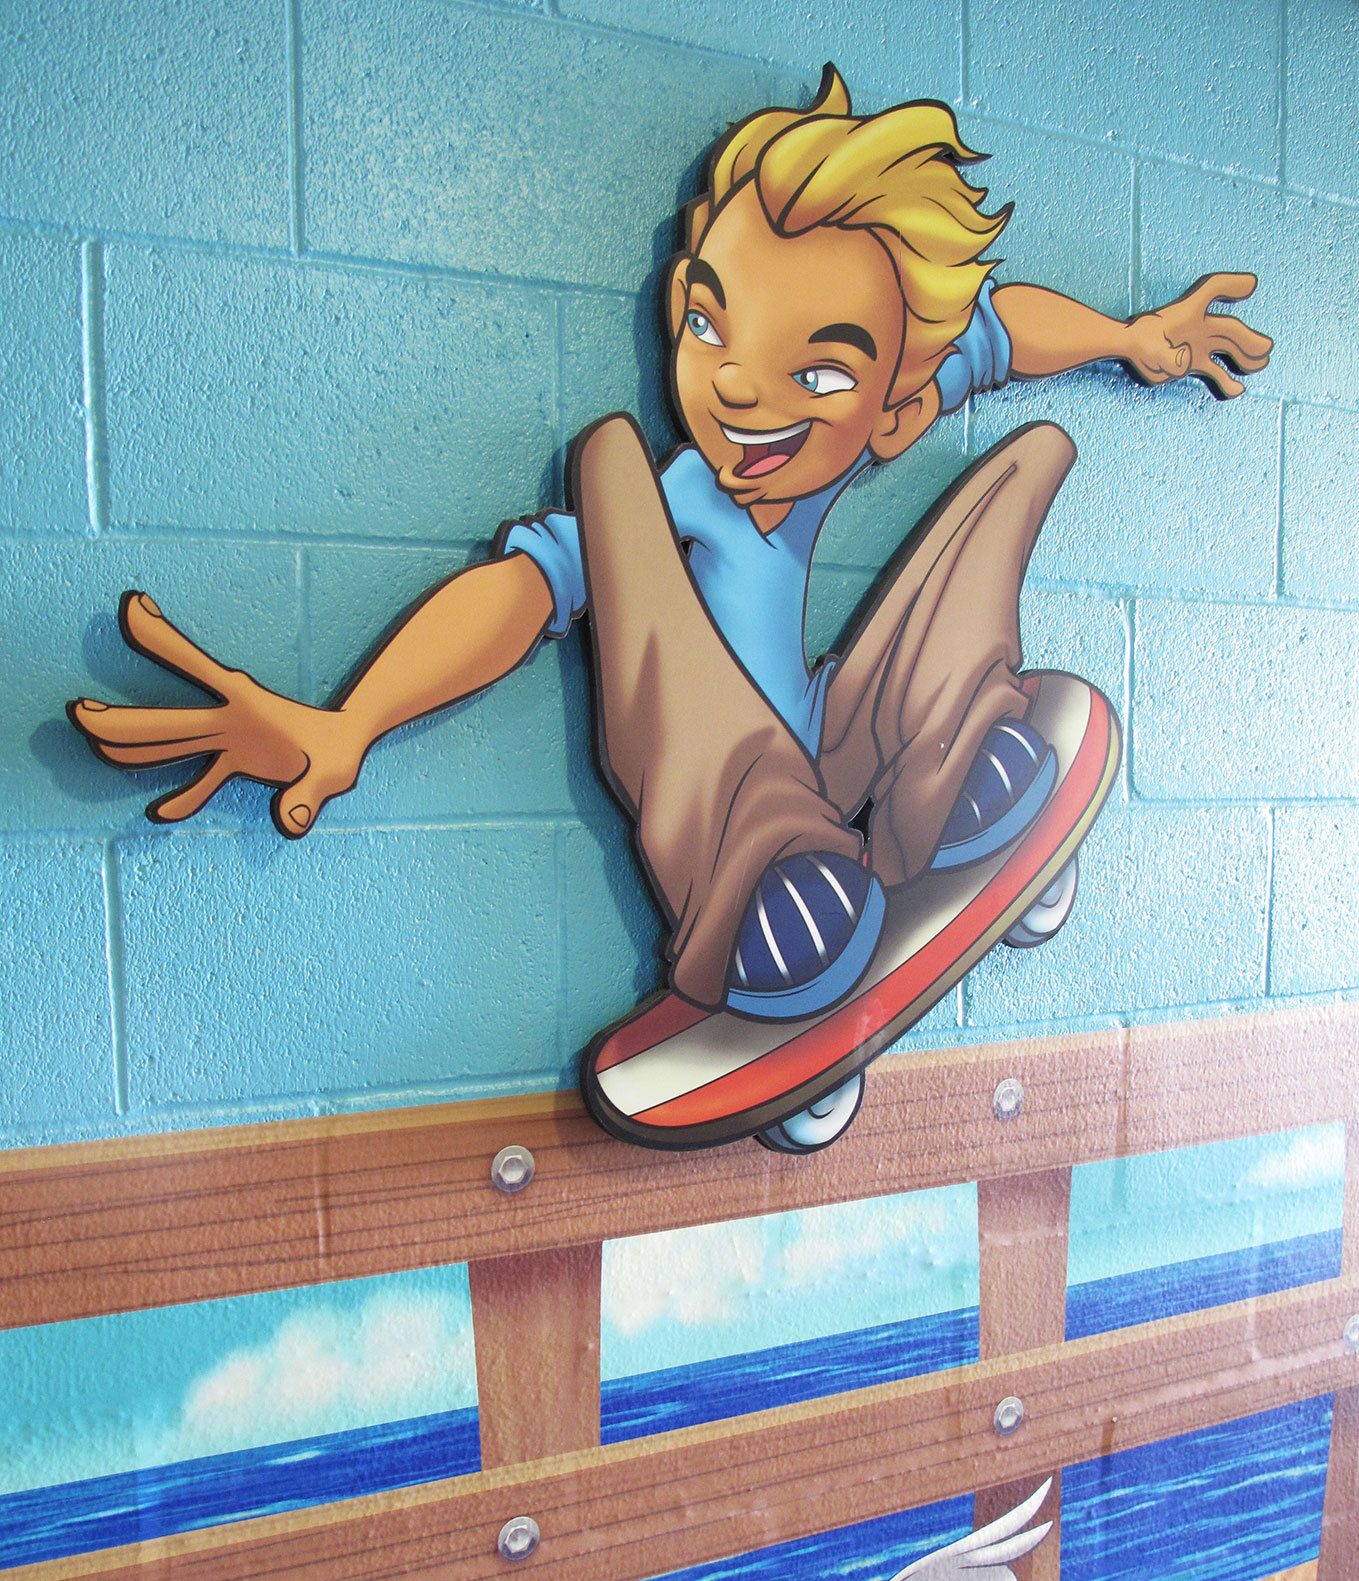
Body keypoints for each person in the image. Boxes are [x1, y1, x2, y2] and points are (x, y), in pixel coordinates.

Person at [70, 66, 1271, 1024]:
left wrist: (1131, 337)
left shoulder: (858, 438)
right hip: (734, 815)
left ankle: (947, 768)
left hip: (833, 757)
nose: (742, 390)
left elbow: (1000, 330)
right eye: (710, 321)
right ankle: (763, 891)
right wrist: (353, 722)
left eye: (816, 368)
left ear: (891, 406)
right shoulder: (669, 504)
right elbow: (519, 592)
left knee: (1030, 460)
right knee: (608, 474)